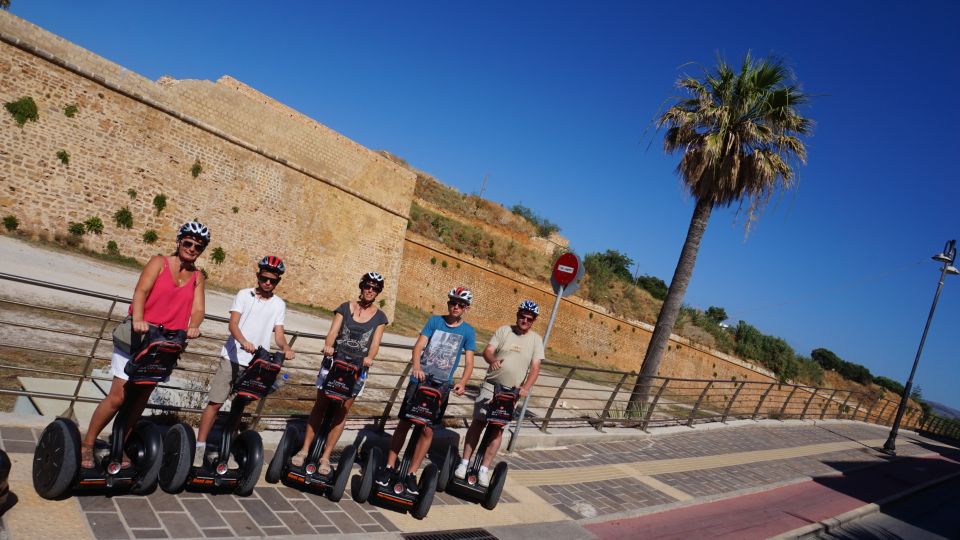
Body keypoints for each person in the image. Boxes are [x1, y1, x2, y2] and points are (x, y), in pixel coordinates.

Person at [81, 221, 209, 468]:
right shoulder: (158, 263)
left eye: (198, 246)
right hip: (138, 336)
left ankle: (118, 445)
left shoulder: (197, 278)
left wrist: (194, 325)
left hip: (165, 344)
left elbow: (199, 309)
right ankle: (87, 443)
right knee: (119, 396)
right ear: (179, 241)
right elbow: (141, 291)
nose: (192, 249)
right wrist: (138, 318)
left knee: (140, 397)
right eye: (188, 243)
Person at [193, 255, 295, 467]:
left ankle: (226, 449)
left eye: (273, 281)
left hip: (255, 363)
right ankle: (199, 446)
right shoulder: (243, 295)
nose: (268, 283)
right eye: (264, 278)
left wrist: (285, 347)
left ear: (278, 282)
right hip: (232, 357)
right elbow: (233, 324)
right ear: (258, 276)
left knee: (238, 408)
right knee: (216, 402)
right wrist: (243, 341)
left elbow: (278, 334)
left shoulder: (278, 304)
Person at [377, 287, 476, 494]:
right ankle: (389, 466)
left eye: (460, 304)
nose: (455, 307)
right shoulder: (435, 321)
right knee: (405, 421)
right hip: (419, 380)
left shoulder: (468, 332)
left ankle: (412, 473)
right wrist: (417, 367)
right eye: (452, 302)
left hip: (442, 385)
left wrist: (463, 382)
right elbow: (418, 346)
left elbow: (469, 362)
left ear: (466, 308)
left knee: (427, 429)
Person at [289, 272, 389, 474]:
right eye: (368, 286)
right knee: (321, 405)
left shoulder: (380, 317)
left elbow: (375, 343)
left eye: (375, 288)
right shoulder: (345, 307)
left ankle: (326, 457)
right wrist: (328, 345)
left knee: (342, 412)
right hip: (335, 361)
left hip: (357, 368)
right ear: (362, 287)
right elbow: (334, 331)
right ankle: (304, 450)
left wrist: (370, 358)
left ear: (378, 292)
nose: (371, 290)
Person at [456, 300, 543, 487]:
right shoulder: (504, 331)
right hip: (490, 385)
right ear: (517, 315)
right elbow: (488, 351)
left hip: (511, 393)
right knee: (478, 423)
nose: (524, 320)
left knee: (497, 430)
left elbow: (535, 368)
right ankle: (464, 463)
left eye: (529, 318)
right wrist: (492, 360)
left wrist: (525, 387)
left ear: (533, 320)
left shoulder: (536, 340)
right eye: (522, 316)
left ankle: (484, 470)